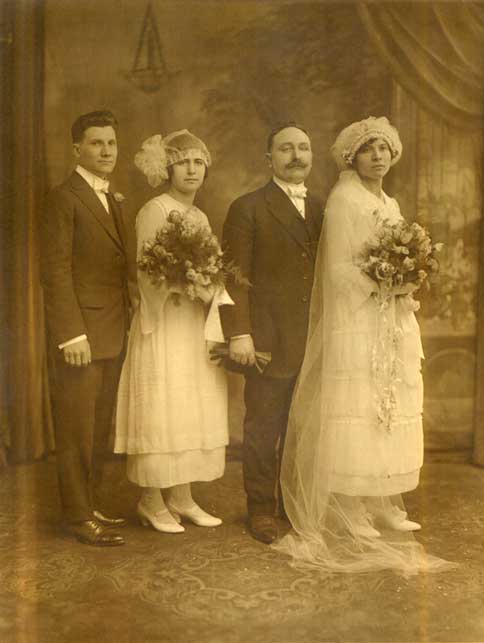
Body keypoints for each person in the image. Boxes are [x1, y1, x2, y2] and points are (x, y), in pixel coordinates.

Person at [273, 116, 455, 574]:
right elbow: (338, 270)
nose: (378, 157)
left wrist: (404, 278)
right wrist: (383, 283)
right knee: (357, 404)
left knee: (390, 404)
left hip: (390, 318)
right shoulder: (344, 200)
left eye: (384, 149)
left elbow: (396, 255)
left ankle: (382, 497)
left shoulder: (388, 201)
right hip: (357, 320)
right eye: (369, 149)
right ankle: (350, 504)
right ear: (352, 156)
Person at [114, 130, 229, 533]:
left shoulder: (199, 216)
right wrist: (185, 284)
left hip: (191, 324)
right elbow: (146, 273)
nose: (192, 169)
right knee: (164, 407)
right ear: (167, 168)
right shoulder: (155, 210)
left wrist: (208, 284)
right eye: (184, 162)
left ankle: (181, 497)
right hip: (162, 325)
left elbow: (211, 266)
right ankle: (151, 500)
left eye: (199, 162)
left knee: (189, 406)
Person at [220, 123, 323, 544]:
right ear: (269, 159)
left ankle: (292, 503)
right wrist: (239, 333)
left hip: (313, 339)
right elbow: (233, 277)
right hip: (266, 337)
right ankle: (261, 509)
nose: (296, 155)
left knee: (303, 428)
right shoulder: (248, 207)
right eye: (286, 149)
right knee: (263, 427)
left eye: (303, 147)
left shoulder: (321, 208)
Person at [42, 110, 130, 546]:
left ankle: (90, 503)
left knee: (98, 425)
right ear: (76, 148)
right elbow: (55, 271)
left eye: (111, 143)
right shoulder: (64, 198)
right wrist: (71, 334)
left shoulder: (113, 198)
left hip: (113, 329)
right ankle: (77, 516)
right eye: (96, 143)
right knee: (76, 428)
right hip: (82, 335)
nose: (106, 151)